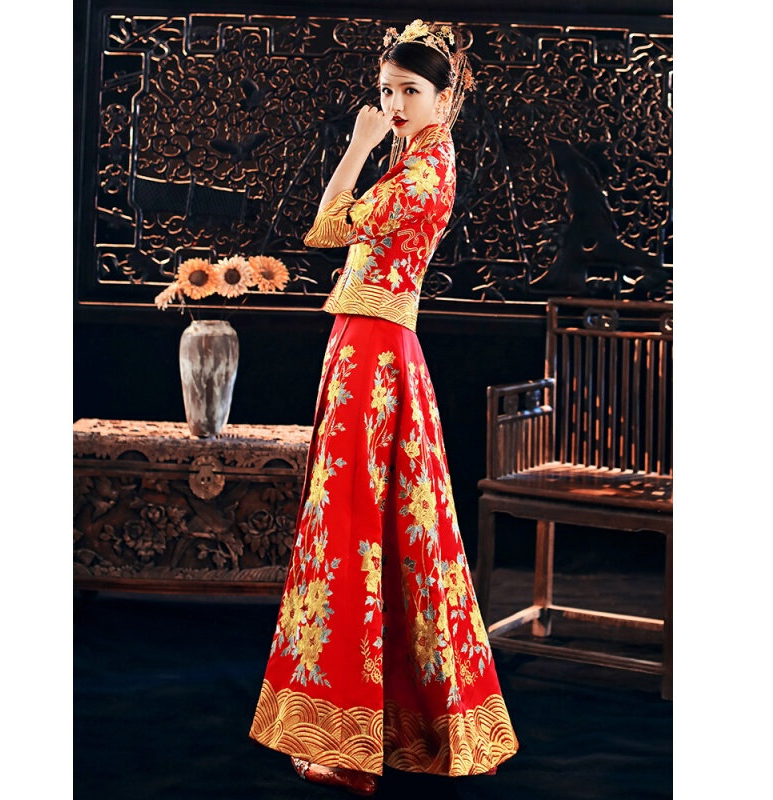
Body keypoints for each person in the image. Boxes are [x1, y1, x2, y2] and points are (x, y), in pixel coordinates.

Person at [249, 20, 518, 795]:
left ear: (445, 97)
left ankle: (343, 740)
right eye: (385, 90)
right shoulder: (417, 160)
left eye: (409, 91)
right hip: (367, 348)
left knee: (352, 528)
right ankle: (383, 724)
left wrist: (357, 144)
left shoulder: (423, 174)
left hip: (374, 357)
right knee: (385, 530)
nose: (394, 104)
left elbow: (323, 227)